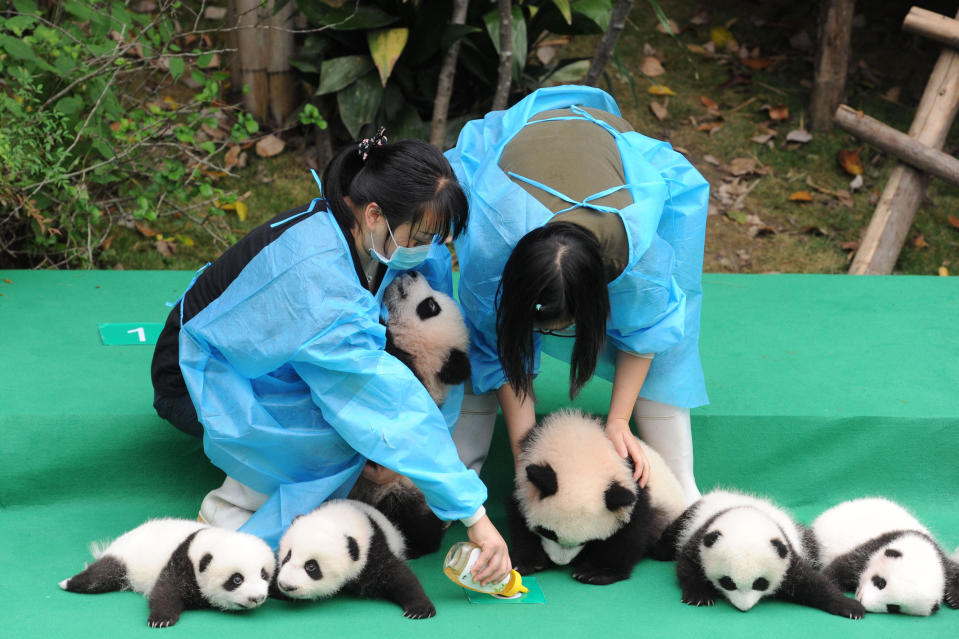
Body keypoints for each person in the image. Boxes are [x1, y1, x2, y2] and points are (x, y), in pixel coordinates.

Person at [150, 131, 510, 583]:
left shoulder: (363, 228)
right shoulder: (320, 279)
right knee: (343, 432)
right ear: (375, 214)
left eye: (436, 236)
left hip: (258, 347)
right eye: (421, 235)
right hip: (194, 372)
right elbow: (380, 400)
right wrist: (473, 513)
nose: (429, 245)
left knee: (371, 410)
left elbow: (432, 300)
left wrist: (433, 459)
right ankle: (230, 519)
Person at [447, 86, 709, 504]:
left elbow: (649, 332)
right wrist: (524, 453)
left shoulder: (634, 258)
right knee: (479, 348)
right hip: (522, 154)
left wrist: (618, 421)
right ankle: (459, 477)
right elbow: (498, 349)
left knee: (666, 349)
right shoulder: (491, 249)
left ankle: (683, 490)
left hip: (603, 146)